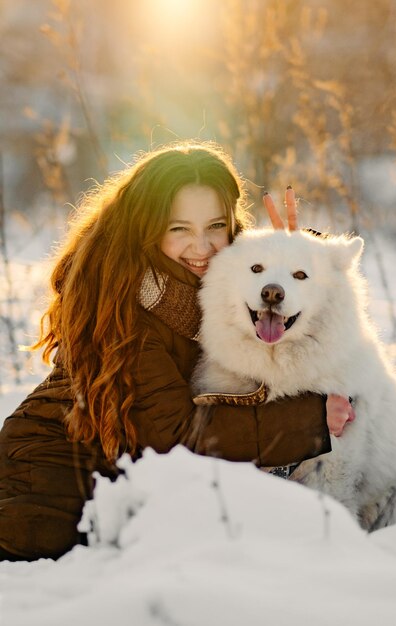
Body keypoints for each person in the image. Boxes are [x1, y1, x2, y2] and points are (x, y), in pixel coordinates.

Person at [0, 141, 352, 562]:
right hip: (46, 475)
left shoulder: (215, 284)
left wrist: (295, 254)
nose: (201, 247)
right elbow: (175, 436)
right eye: (178, 228)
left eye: (215, 226)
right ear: (146, 228)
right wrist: (308, 421)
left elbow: (273, 282)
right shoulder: (125, 303)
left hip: (112, 476)